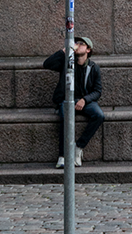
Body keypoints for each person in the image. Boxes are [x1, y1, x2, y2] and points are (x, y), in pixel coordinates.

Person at [43, 36, 104, 165]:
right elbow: (46, 64)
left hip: (85, 101)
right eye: (76, 43)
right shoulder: (67, 62)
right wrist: (64, 51)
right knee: (66, 118)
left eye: (82, 44)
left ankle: (78, 147)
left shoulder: (93, 68)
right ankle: (63, 156)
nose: (77, 45)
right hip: (66, 100)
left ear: (88, 50)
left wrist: (85, 100)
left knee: (99, 115)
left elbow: (97, 91)